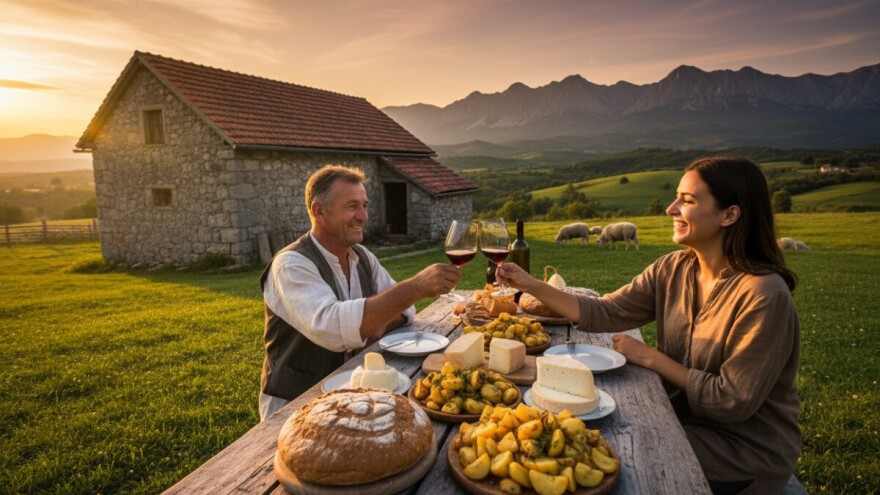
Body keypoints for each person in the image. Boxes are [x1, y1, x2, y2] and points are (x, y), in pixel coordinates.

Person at [498, 156, 800, 495]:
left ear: (729, 215)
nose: (671, 209)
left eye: (687, 201)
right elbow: (607, 311)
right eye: (676, 198)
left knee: (607, 452)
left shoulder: (764, 295)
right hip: (680, 421)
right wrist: (529, 284)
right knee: (584, 436)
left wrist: (650, 357)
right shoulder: (674, 268)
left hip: (740, 451)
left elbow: (730, 400)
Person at [259, 165, 460, 421]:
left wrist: (373, 326)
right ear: (318, 211)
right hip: (296, 407)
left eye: (365, 206)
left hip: (357, 398)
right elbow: (333, 329)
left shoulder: (361, 256)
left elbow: (406, 309)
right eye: (352, 206)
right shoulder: (291, 264)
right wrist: (415, 287)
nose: (363, 216)